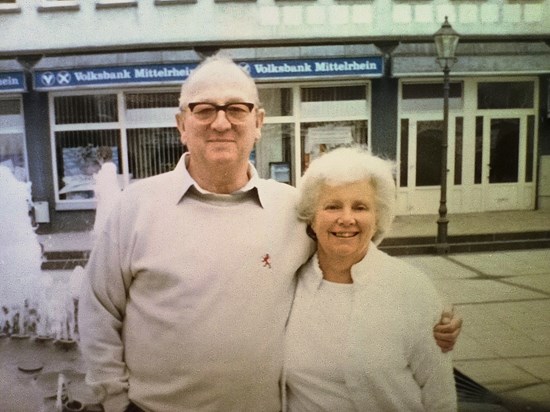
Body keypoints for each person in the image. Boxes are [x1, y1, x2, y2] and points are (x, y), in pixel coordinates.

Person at [79, 54, 461, 412]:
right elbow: (98, 309)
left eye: (236, 108)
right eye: (204, 109)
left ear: (258, 122)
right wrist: (114, 400)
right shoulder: (135, 207)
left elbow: (355, 258)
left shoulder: (294, 210)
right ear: (182, 125)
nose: (221, 122)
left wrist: (428, 315)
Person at [282, 146, 457, 411]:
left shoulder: (411, 289)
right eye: (332, 206)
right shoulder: (288, 286)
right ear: (311, 218)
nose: (347, 218)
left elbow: (440, 396)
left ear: (377, 219)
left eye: (360, 207)